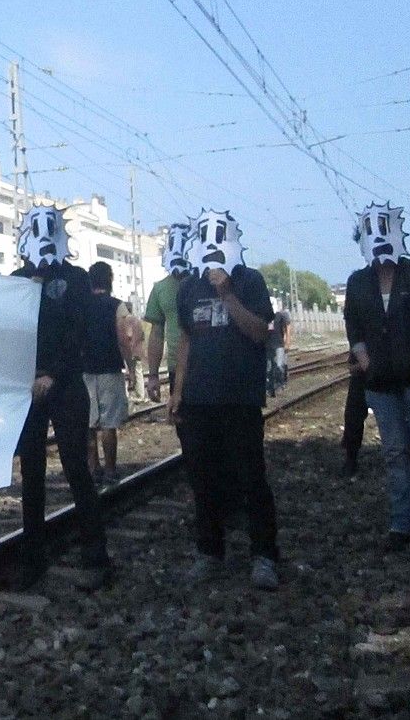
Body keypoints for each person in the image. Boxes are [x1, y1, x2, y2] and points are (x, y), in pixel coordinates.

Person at [169, 209, 280, 590]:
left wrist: (227, 295)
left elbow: (259, 333)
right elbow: (186, 340)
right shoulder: (188, 288)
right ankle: (209, 552)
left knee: (252, 478)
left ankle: (264, 555)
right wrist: (177, 391)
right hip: (199, 400)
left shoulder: (251, 281)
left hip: (239, 398)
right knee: (203, 479)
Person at [11, 205, 111, 590]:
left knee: (75, 467)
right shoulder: (16, 280)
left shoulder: (77, 279)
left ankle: (95, 552)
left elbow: (79, 331)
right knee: (31, 473)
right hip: (27, 388)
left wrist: (53, 373)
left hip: (65, 384)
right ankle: (34, 556)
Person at [343, 203, 410, 549]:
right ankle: (403, 522)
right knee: (395, 451)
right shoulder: (358, 282)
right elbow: (353, 323)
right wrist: (363, 357)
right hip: (381, 383)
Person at [82, 261, 134, 485]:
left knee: (89, 424)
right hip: (110, 369)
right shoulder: (117, 306)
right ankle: (111, 469)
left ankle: (93, 469)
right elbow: (124, 339)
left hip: (84, 370)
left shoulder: (80, 305)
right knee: (108, 424)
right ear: (110, 280)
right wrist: (131, 367)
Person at [146, 222, 192, 404]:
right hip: (175, 366)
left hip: (205, 364)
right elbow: (156, 334)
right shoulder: (160, 289)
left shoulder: (205, 284)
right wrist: (153, 375)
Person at [265, 309, 292, 398]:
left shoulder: (280, 316)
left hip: (279, 344)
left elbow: (286, 329)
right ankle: (269, 388)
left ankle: (280, 385)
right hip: (268, 345)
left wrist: (287, 341)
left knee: (279, 365)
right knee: (269, 367)